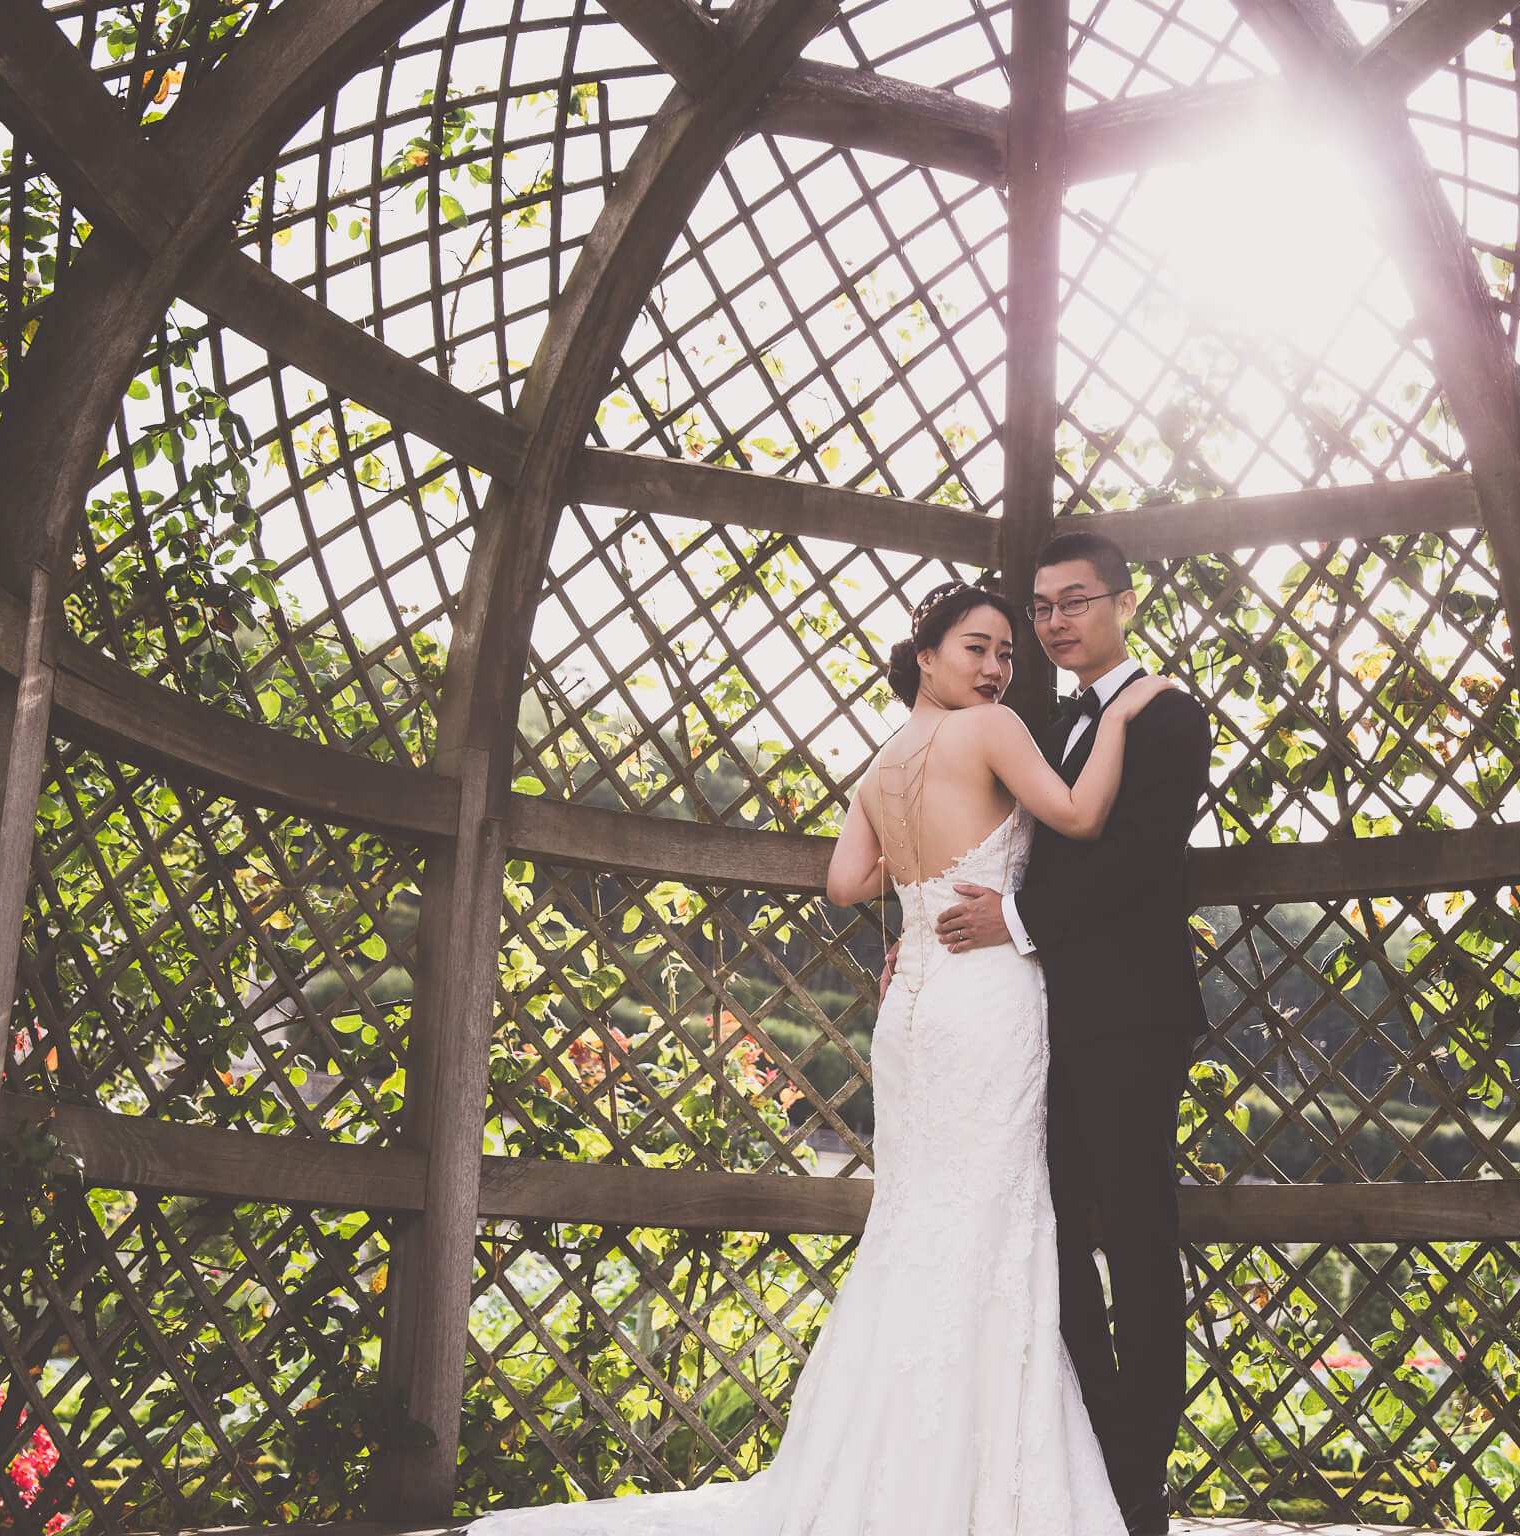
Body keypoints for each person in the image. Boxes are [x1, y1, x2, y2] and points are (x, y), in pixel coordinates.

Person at [460, 579, 1175, 1536]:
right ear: (926, 655)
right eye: (978, 648)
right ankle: (980, 1469)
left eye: (1006, 652)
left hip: (914, 1005)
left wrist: (919, 886)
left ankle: (881, 1459)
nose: (999, 668)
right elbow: (1083, 817)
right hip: (986, 994)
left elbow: (846, 885)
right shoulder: (995, 732)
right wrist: (1125, 712)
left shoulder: (881, 763)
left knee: (920, 1221)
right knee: (993, 1216)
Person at [931, 532, 1213, 1535]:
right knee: (1043, 1238)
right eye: (1042, 606)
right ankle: (1092, 1445)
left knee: (1137, 1237)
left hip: (1131, 1019)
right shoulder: (1038, 725)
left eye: (1075, 601)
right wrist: (923, 941)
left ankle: (1142, 1472)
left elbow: (1140, 859)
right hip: (1036, 1029)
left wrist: (1013, 924)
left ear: (1124, 603)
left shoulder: (1170, 714)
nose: (1055, 621)